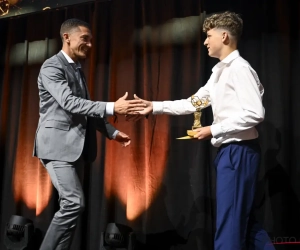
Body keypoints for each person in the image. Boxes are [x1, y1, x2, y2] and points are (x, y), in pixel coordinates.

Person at [131, 11, 275, 250]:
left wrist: (213, 129)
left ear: (225, 36)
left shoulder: (239, 68)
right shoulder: (219, 72)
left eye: (209, 36)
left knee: (230, 226)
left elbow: (255, 113)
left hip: (238, 152)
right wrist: (153, 106)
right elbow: (193, 102)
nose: (205, 42)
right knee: (244, 223)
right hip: (230, 153)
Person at [32, 18, 144, 250]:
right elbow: (69, 102)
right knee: (74, 203)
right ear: (67, 37)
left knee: (71, 208)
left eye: (91, 40)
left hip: (74, 147)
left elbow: (86, 107)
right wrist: (113, 107)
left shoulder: (77, 69)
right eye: (85, 39)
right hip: (56, 145)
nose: (90, 44)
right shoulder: (52, 66)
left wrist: (112, 132)